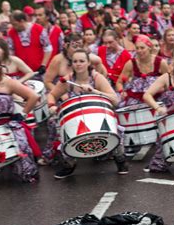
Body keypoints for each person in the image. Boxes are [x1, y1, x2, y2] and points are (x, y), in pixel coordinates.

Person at [47, 50, 128, 178]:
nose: (78, 64)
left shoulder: (97, 78)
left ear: (88, 63)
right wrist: (51, 105)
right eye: (75, 61)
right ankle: (69, 164)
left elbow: (115, 100)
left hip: (98, 115)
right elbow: (52, 94)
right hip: (76, 118)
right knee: (61, 130)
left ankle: (120, 159)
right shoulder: (68, 80)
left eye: (82, 61)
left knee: (114, 132)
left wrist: (94, 91)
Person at [0, 52, 40, 182]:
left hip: (7, 125)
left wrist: (23, 114)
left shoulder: (8, 83)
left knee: (26, 173)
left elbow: (33, 97)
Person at [117, 35, 168, 107]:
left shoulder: (161, 62)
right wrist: (121, 91)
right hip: (136, 99)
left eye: (142, 48)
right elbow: (119, 82)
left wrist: (160, 89)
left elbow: (169, 83)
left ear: (149, 48)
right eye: (137, 48)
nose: (139, 51)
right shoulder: (131, 63)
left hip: (157, 98)